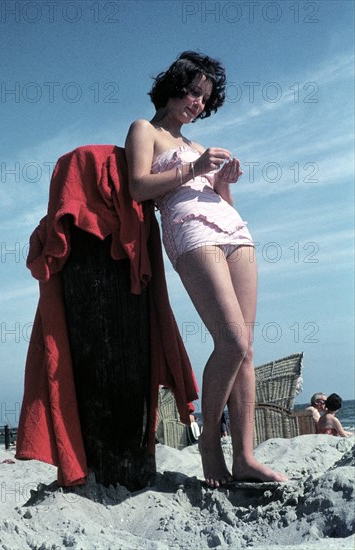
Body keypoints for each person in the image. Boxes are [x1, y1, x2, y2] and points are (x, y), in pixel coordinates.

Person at [125, 50, 287, 487]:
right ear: (173, 86)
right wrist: (194, 168)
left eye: (204, 98)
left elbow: (219, 203)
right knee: (231, 340)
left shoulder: (197, 145)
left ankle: (246, 457)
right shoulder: (145, 130)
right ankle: (210, 444)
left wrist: (222, 184)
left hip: (233, 229)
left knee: (247, 348)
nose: (197, 102)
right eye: (193, 91)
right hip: (188, 230)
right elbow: (138, 186)